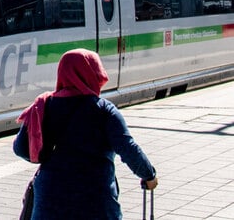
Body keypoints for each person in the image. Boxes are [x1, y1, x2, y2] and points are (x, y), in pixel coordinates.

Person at [13, 48, 158, 219]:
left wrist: (47, 156)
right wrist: (149, 175)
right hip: (94, 199)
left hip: (50, 198)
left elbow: (20, 148)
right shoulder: (104, 110)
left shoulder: (43, 106)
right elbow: (128, 148)